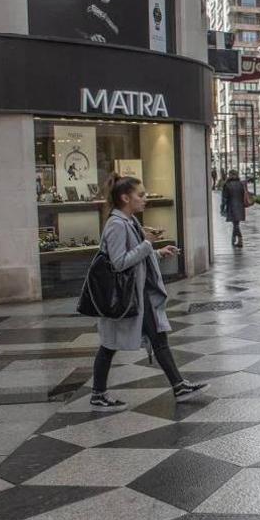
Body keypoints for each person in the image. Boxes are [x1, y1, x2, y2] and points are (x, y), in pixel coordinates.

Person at [89, 174, 206, 410]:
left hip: (138, 293)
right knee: (109, 344)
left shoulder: (129, 222)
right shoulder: (116, 224)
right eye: (140, 195)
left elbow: (135, 257)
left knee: (158, 338)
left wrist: (158, 252)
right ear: (125, 198)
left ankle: (179, 385)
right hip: (123, 297)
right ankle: (98, 394)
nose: (145, 199)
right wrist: (147, 244)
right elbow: (120, 262)